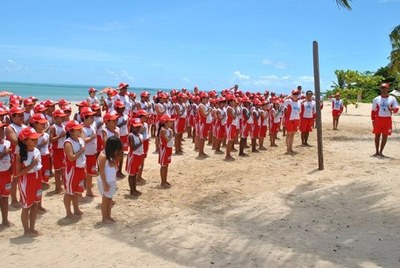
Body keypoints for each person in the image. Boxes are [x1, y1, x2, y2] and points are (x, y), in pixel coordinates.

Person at [15, 127, 43, 236]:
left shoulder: (36, 151)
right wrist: (32, 164)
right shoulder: (20, 154)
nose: (36, 141)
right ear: (25, 141)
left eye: (36, 139)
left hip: (37, 178)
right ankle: (26, 230)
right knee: (26, 206)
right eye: (33, 139)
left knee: (35, 204)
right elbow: (18, 172)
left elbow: (39, 166)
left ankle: (32, 228)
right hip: (26, 181)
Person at [63, 120, 86, 220]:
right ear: (71, 131)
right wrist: (81, 150)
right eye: (77, 129)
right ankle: (68, 212)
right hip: (72, 170)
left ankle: (76, 209)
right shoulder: (68, 142)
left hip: (80, 168)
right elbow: (71, 157)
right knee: (69, 192)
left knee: (76, 191)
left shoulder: (79, 139)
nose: (80, 130)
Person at [97, 136, 122, 224]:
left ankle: (108, 216)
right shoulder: (103, 156)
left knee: (110, 199)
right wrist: (105, 184)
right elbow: (101, 171)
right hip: (105, 181)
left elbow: (114, 166)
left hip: (111, 180)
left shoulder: (111, 155)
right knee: (105, 200)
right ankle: (104, 218)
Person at [371, 83, 399, 157]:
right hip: (378, 119)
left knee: (385, 136)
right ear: (380, 89)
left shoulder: (392, 99)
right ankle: (376, 151)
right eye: (382, 88)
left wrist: (391, 109)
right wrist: (373, 120)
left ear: (388, 89)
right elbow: (373, 111)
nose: (383, 90)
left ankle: (381, 152)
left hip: (387, 119)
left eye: (385, 88)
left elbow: (396, 109)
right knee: (377, 135)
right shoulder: (376, 99)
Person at [81, 107, 98, 197]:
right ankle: (85, 190)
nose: (92, 119)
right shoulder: (82, 128)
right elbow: (83, 140)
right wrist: (91, 137)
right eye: (91, 117)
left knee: (91, 173)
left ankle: (89, 190)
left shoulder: (92, 126)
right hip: (86, 154)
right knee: (86, 173)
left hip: (92, 153)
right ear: (85, 118)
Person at [50, 109, 67, 194]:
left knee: (63, 169)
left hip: (63, 149)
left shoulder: (63, 126)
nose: (63, 118)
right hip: (56, 150)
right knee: (57, 170)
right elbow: (51, 140)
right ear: (56, 118)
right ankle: (58, 188)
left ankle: (63, 185)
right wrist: (60, 136)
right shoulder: (53, 127)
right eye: (61, 117)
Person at [126, 118, 144, 196]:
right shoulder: (131, 135)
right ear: (132, 127)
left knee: (135, 173)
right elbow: (133, 147)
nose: (138, 128)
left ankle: (134, 189)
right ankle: (132, 190)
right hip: (133, 156)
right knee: (131, 174)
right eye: (136, 127)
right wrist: (140, 143)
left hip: (139, 156)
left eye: (139, 127)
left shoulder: (140, 135)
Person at [0, 121, 12, 227]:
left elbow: (10, 159)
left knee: (5, 197)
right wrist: (4, 152)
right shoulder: (6, 147)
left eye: (2, 129)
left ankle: (5, 220)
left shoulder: (7, 143)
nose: (2, 131)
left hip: (6, 173)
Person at [158, 114, 174, 188]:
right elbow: (167, 140)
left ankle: (165, 180)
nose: (171, 123)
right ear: (165, 122)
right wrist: (171, 135)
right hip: (164, 149)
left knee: (167, 165)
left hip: (169, 148)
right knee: (163, 165)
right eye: (170, 122)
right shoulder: (163, 130)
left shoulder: (168, 130)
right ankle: (162, 181)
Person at [283, 89, 301, 154]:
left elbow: (299, 111)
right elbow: (281, 102)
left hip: (296, 119)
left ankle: (291, 148)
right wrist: (288, 96)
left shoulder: (299, 102)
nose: (296, 95)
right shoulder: (289, 101)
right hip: (290, 120)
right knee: (289, 134)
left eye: (297, 94)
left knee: (293, 134)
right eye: (294, 94)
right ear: (292, 94)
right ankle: (288, 149)